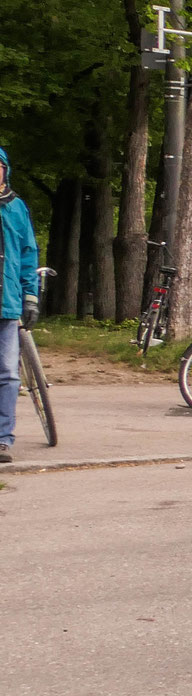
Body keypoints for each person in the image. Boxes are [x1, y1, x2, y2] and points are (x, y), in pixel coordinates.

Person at [0, 146, 40, 462]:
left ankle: (2, 439)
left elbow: (28, 254)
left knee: (8, 374)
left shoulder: (16, 208)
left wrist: (30, 296)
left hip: (7, 303)